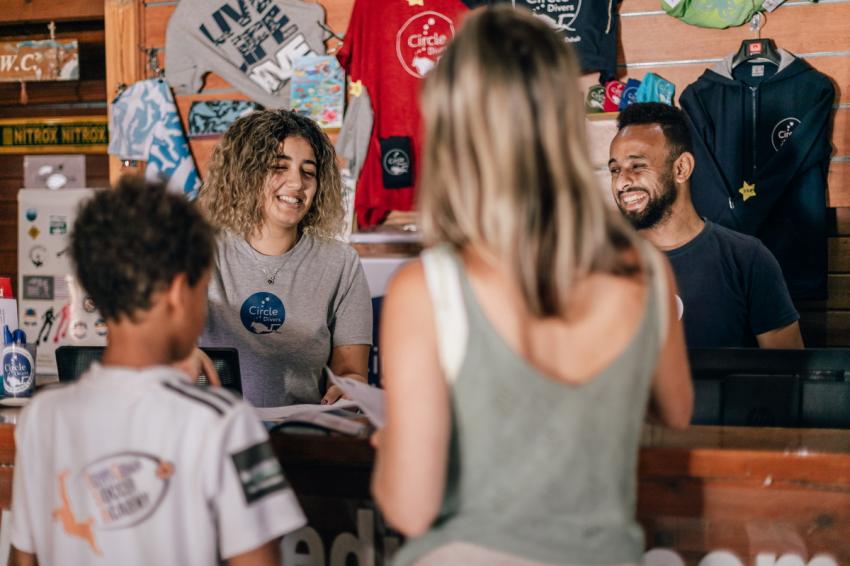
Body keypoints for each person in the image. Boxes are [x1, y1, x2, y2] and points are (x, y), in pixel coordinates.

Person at [371, 8, 693, 566]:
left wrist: (395, 449)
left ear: (453, 124)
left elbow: (411, 507)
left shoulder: (427, 289)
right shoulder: (643, 269)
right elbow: (674, 412)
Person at [9, 177, 306, 566]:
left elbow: (22, 560)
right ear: (179, 293)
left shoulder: (41, 417)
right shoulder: (224, 421)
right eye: (203, 293)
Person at [198, 110, 373, 407]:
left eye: (308, 172)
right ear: (246, 173)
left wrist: (351, 388)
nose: (297, 184)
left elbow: (350, 374)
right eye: (279, 167)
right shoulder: (197, 253)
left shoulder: (341, 264)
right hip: (213, 440)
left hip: (302, 441)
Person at [608, 102, 804, 349]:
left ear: (682, 168)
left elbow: (787, 372)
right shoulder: (602, 264)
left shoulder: (748, 259)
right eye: (615, 170)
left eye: (637, 166)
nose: (622, 182)